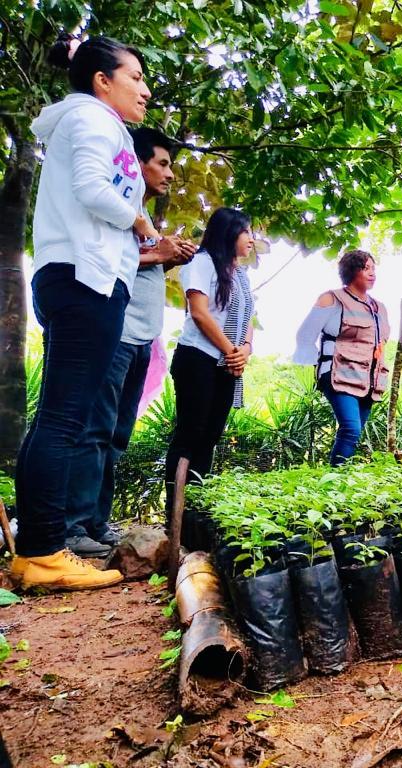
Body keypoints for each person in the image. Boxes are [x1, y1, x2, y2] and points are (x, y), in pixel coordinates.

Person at [11, 35, 152, 591]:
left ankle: (36, 550)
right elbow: (95, 190)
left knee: (57, 415)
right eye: (134, 76)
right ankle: (45, 550)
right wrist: (139, 220)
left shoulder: (88, 121)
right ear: (102, 80)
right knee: (66, 418)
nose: (143, 89)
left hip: (78, 276)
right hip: (84, 279)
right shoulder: (91, 120)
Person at [63, 128, 196, 558]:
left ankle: (96, 523)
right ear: (136, 163)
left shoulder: (140, 214)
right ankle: (73, 525)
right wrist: (161, 253)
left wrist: (166, 251)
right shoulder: (120, 210)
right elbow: (97, 256)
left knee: (117, 433)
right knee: (96, 430)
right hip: (114, 334)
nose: (170, 174)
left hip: (140, 337)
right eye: (163, 163)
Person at [164, 208, 255, 494]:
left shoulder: (240, 274)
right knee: (190, 433)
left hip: (226, 364)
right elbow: (200, 313)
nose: (252, 239)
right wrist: (232, 350)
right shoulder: (201, 263)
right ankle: (174, 514)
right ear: (229, 233)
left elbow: (247, 316)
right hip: (198, 358)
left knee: (211, 436)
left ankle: (194, 509)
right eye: (247, 232)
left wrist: (246, 350)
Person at [294, 250, 390, 465]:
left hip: (369, 380)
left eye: (374, 269)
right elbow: (305, 336)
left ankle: (342, 482)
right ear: (352, 271)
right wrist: (313, 366)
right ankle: (334, 480)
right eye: (367, 268)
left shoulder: (379, 308)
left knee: (355, 432)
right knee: (350, 428)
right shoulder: (332, 299)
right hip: (338, 374)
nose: (373, 274)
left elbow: (381, 344)